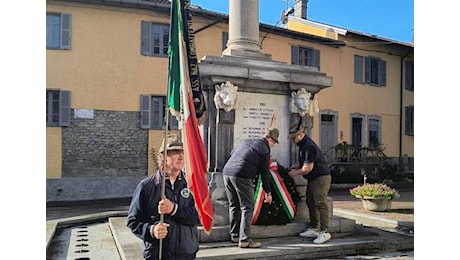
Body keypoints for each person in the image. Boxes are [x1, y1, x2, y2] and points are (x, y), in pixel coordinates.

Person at [127, 134, 200, 260]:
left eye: (183, 152)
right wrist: (151, 230)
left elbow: (199, 216)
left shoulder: (192, 184)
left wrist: (174, 209)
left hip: (186, 254)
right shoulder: (147, 186)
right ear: (163, 156)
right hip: (158, 254)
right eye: (176, 152)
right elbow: (133, 221)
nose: (181, 156)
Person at [222, 128, 279, 248]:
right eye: (274, 142)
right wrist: (268, 193)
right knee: (247, 207)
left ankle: (235, 235)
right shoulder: (264, 150)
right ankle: (245, 240)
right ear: (269, 139)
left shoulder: (247, 141)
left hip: (227, 172)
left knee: (234, 205)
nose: (273, 145)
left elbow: (233, 153)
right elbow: (265, 173)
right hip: (242, 175)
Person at [288, 126, 332, 244]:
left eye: (294, 138)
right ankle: (314, 228)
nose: (292, 140)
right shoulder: (303, 146)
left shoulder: (308, 146)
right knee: (310, 202)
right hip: (313, 178)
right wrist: (297, 167)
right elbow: (305, 164)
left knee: (320, 203)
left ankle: (325, 231)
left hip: (320, 178)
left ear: (301, 134)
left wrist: (294, 173)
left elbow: (307, 168)